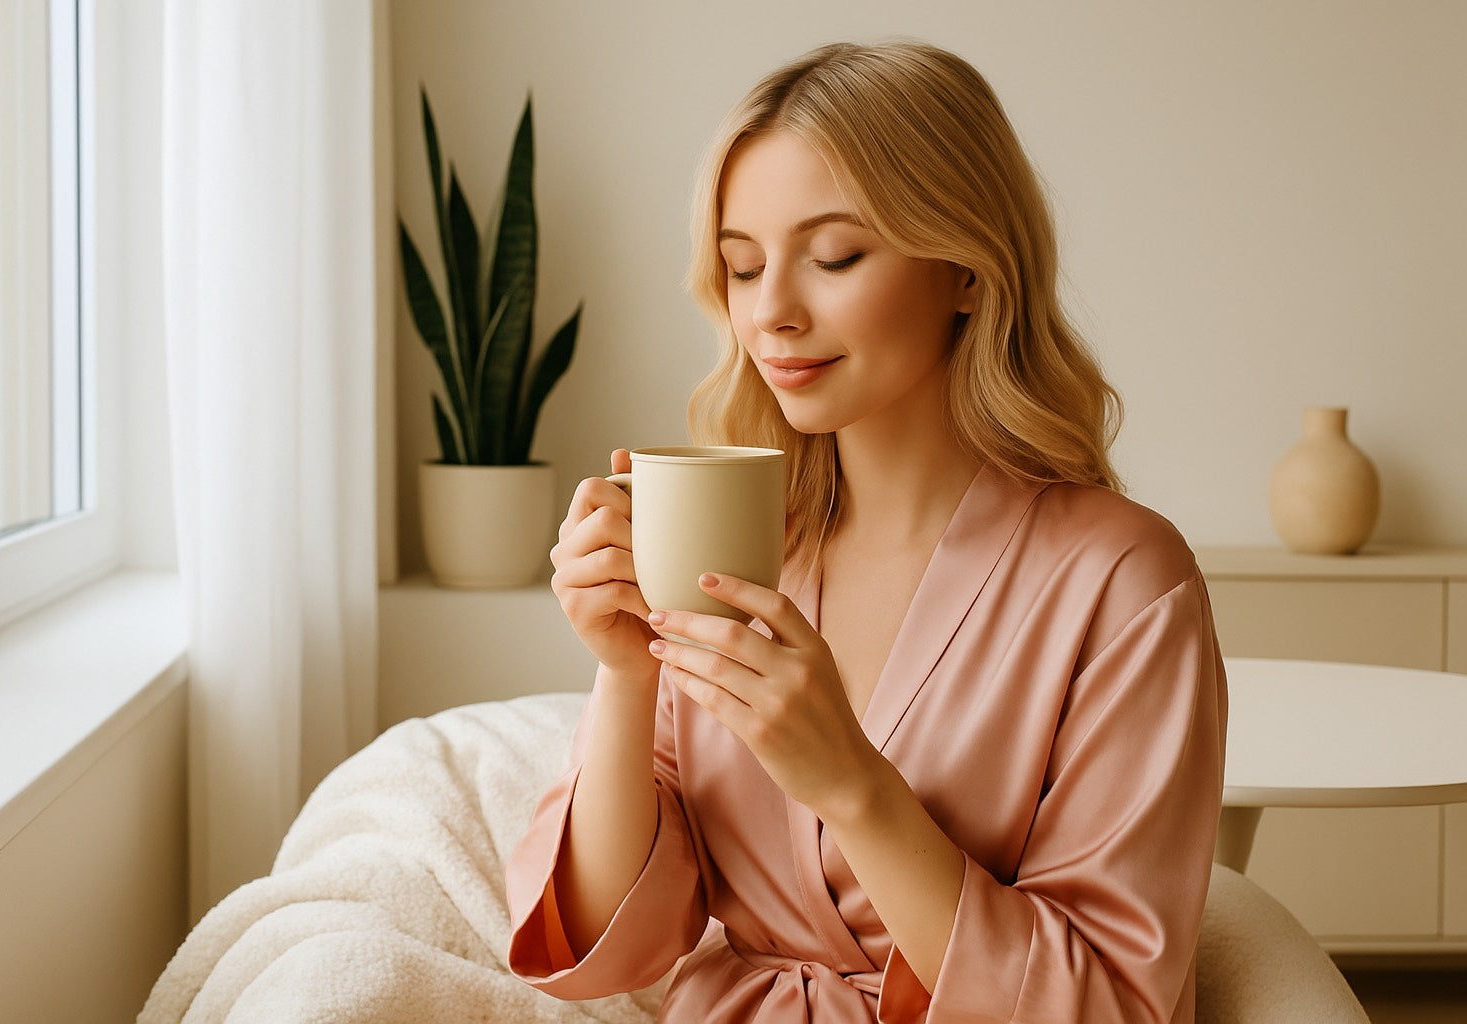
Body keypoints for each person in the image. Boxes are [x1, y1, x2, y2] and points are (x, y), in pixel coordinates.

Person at [505, 39, 1227, 1023]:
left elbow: (1110, 1002)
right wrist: (625, 672)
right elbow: (610, 942)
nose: (773, 314)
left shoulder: (1122, 581)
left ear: (968, 271)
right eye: (743, 267)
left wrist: (855, 786)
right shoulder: (741, 543)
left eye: (836, 256)